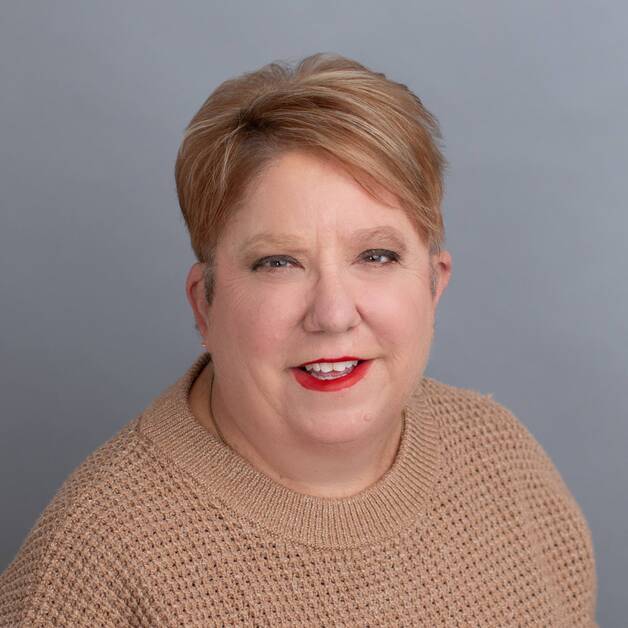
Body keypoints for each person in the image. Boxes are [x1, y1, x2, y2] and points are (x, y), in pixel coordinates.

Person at [0, 52, 598, 626]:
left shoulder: (502, 460)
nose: (333, 314)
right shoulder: (93, 563)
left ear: (433, 284)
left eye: (376, 255)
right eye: (278, 262)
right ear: (204, 304)